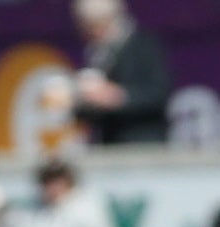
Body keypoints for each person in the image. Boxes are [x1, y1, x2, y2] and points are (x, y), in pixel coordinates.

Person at [70, 0, 171, 145]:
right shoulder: (98, 53)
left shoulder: (144, 46)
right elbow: (88, 113)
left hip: (145, 145)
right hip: (110, 145)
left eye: (98, 25)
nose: (92, 32)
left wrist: (118, 97)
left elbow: (159, 93)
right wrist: (80, 100)